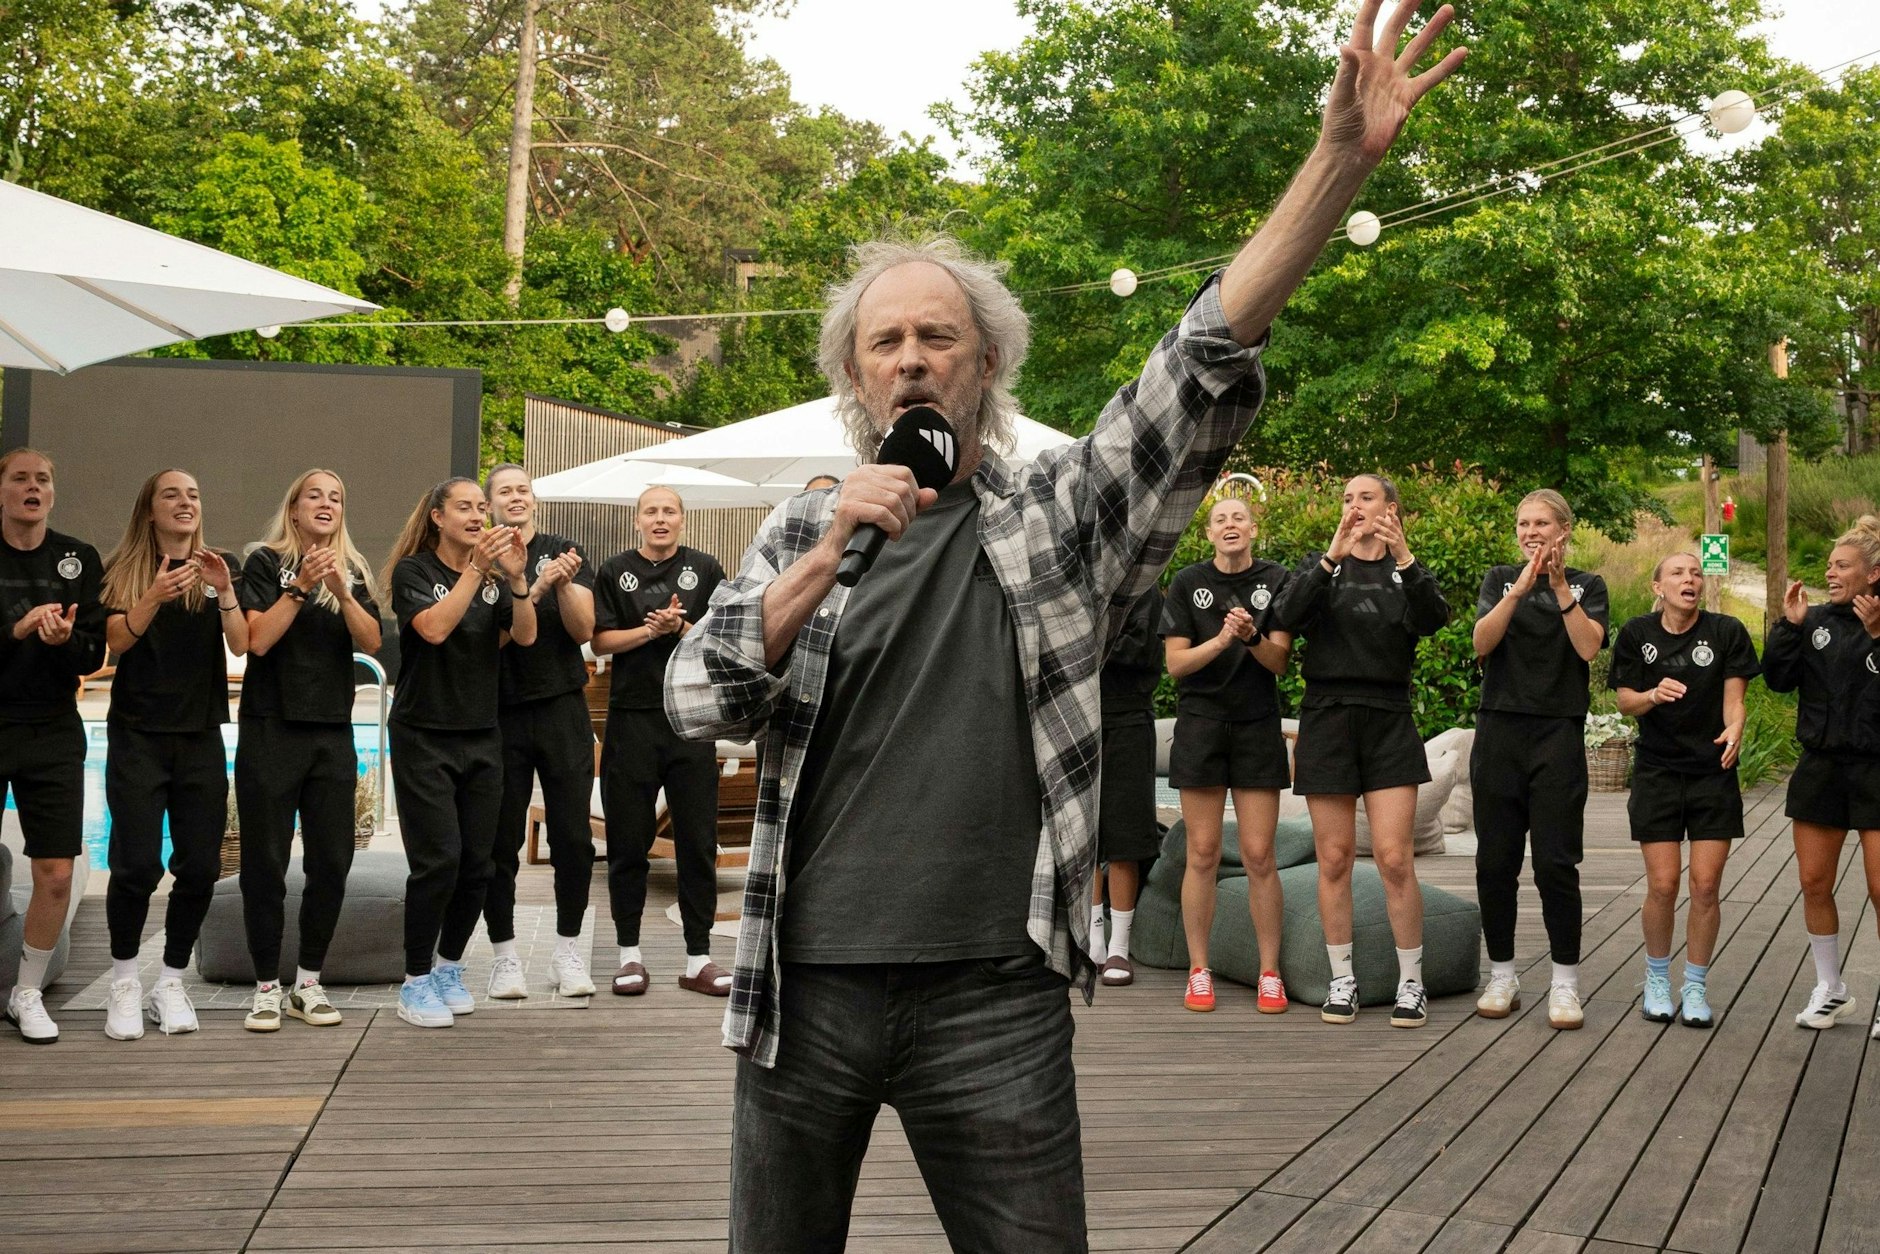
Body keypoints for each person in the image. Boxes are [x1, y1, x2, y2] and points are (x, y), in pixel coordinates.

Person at [665, 3, 1466, 1243]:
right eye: (887, 341)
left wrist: (1339, 165)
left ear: (985, 364)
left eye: (940, 336)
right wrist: (825, 555)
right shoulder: (798, 534)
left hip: (995, 997)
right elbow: (697, 699)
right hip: (800, 990)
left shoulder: (1060, 514)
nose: (913, 358)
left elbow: (1194, 367)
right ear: (854, 378)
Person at [1271, 474, 1449, 1028]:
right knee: (1335, 858)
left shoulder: (1406, 570)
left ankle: (1411, 983)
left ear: (1391, 508)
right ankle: (1342, 979)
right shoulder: (1319, 564)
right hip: (1326, 716)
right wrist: (1330, 557)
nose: (1353, 506)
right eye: (1347, 499)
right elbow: (1288, 616)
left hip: (1388, 717)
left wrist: (1404, 556)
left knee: (1395, 859)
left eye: (1365, 497)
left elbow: (1434, 619)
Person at [98, 469, 249, 1039]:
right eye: (172, 495)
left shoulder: (216, 567)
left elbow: (240, 645)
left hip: (199, 735)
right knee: (135, 865)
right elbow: (114, 643)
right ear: (150, 510)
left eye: (193, 494)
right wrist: (154, 596)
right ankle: (123, 982)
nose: (186, 502)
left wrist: (227, 591)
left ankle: (169, 980)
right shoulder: (122, 571)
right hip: (138, 735)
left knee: (201, 866)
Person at [381, 478, 537, 1028]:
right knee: (439, 860)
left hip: (481, 733)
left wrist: (517, 582)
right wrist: (477, 571)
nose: (477, 515)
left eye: (481, 507)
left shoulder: (494, 581)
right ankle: (415, 980)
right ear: (437, 518)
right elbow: (434, 629)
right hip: (425, 735)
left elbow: (523, 637)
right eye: (465, 507)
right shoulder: (415, 573)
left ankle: (448, 966)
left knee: (481, 862)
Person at [237, 469, 382, 1032]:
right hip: (271, 729)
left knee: (332, 861)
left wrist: (341, 589)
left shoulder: (354, 568)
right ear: (293, 507)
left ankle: (309, 982)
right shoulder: (264, 563)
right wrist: (299, 586)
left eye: (336, 497)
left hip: (330, 733)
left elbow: (371, 641)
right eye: (315, 495)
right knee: (265, 864)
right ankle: (266, 987)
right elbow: (258, 640)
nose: (327, 503)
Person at [1469, 489, 1608, 1030]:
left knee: (1555, 863)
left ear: (1564, 531)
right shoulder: (1498, 578)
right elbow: (1482, 641)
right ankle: (1501, 973)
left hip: (1557, 733)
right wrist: (1520, 589)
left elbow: (1589, 648)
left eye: (1542, 523)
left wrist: (1556, 587)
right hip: (1500, 729)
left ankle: (1565, 984)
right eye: (1523, 523)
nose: (1531, 532)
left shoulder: (1588, 584)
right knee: (1495, 862)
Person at [1610, 553, 1758, 1029]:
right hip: (1657, 772)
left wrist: (1735, 730)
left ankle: (1694, 986)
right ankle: (1657, 979)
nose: (1689, 579)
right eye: (1677, 572)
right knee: (1664, 884)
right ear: (1658, 586)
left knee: (1707, 886)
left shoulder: (1727, 631)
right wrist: (1653, 694)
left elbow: (1735, 701)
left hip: (1712, 772)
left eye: (1695, 572)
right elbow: (1625, 700)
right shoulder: (1637, 633)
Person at [1158, 496, 1294, 1013]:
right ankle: (1199, 970)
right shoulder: (1188, 582)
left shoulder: (1277, 579)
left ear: (1253, 528)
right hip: (1202, 726)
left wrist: (1251, 635)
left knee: (1260, 855)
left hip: (1258, 726)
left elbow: (1279, 661)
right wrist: (1220, 640)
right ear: (1209, 534)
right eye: (1220, 520)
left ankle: (1269, 973)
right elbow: (1174, 664)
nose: (1230, 524)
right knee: (1202, 853)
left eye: (1239, 517)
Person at [592, 487, 728, 996]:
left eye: (669, 511)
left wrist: (680, 626)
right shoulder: (613, 571)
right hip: (632, 721)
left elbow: (719, 637)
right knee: (628, 843)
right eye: (651, 511)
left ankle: (699, 958)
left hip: (691, 721)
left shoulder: (706, 569)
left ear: (683, 521)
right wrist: (650, 632)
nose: (660, 519)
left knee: (697, 842)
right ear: (637, 522)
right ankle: (629, 955)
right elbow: (601, 640)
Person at [479, 464, 598, 1000]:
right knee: (499, 840)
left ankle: (568, 950)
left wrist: (563, 583)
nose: (516, 498)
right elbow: (481, 639)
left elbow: (584, 630)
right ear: (489, 505)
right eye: (505, 491)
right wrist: (531, 583)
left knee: (573, 836)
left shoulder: (563, 548)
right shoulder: (477, 559)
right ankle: (504, 956)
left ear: (534, 500)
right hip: (498, 710)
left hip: (561, 706)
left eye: (523, 490)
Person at [0, 449, 105, 1045]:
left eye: (44, 478)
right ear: (2, 491)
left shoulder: (77, 558)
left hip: (50, 726)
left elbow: (95, 654)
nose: (33, 487)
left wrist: (65, 642)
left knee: (56, 872)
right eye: (21, 478)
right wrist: (13, 632)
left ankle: (27, 993)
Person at [1765, 517, 1880, 1036]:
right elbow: (1778, 680)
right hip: (1820, 766)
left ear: (1874, 572)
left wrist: (1877, 634)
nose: (1830, 573)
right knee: (1814, 881)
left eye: (1842, 566)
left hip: (1876, 768)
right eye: (1829, 565)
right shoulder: (1813, 620)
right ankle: (1831, 989)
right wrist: (1789, 626)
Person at [1087, 584, 1165, 988]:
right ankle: (1092, 939)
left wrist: (1089, 641)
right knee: (1083, 834)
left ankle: (1120, 944)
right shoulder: (1082, 585)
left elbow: (1140, 653)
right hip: (1080, 716)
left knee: (1125, 835)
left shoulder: (1146, 591)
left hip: (1129, 719)